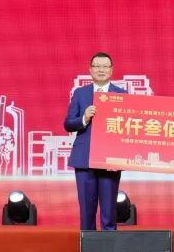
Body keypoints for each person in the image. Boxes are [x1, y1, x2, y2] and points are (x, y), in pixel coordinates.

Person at [64, 52, 127, 230]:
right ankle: (88, 243)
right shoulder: (80, 94)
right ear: (90, 70)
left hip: (110, 161)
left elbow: (127, 128)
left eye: (105, 66)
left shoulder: (122, 95)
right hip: (84, 160)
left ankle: (109, 243)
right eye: (97, 66)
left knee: (109, 211)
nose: (101, 70)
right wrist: (84, 118)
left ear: (111, 70)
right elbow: (68, 124)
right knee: (86, 211)